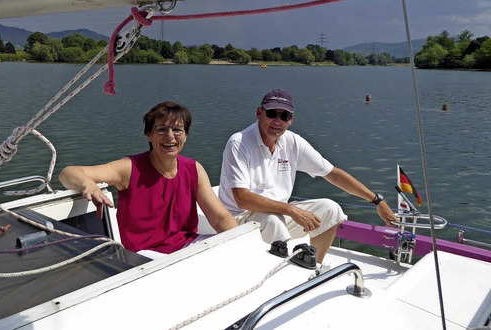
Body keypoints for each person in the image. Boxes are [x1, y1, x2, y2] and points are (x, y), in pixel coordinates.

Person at [218, 88, 398, 263]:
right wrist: (291, 209)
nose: (277, 121)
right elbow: (242, 199)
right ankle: (281, 274)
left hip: (278, 213)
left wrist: (377, 201)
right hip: (239, 220)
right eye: (272, 113)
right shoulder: (239, 143)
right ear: (259, 112)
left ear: (291, 120)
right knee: (273, 221)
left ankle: (313, 269)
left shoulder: (293, 142)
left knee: (330, 209)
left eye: (284, 116)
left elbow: (333, 174)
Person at [59, 101, 238, 258]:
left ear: (185, 135)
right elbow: (68, 173)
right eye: (161, 130)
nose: (170, 136)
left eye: (177, 130)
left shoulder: (194, 169)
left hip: (187, 244)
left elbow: (219, 218)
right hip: (143, 254)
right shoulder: (129, 168)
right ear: (148, 135)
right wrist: (88, 184)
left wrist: (242, 241)